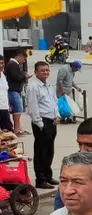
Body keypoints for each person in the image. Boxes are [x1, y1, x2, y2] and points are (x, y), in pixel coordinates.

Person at [25, 61, 59, 189]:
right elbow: (33, 107)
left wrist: (57, 115)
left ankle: (48, 175)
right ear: (36, 73)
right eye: (42, 71)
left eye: (47, 70)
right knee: (41, 151)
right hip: (41, 121)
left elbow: (54, 101)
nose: (45, 72)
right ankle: (40, 179)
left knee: (50, 150)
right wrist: (40, 123)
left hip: (52, 120)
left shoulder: (49, 85)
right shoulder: (33, 87)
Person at [5, 49, 27, 135]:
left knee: (18, 109)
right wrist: (24, 77)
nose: (24, 61)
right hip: (13, 90)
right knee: (18, 109)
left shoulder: (13, 64)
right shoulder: (13, 64)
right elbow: (16, 77)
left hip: (15, 90)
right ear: (19, 56)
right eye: (24, 59)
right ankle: (17, 129)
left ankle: (18, 127)